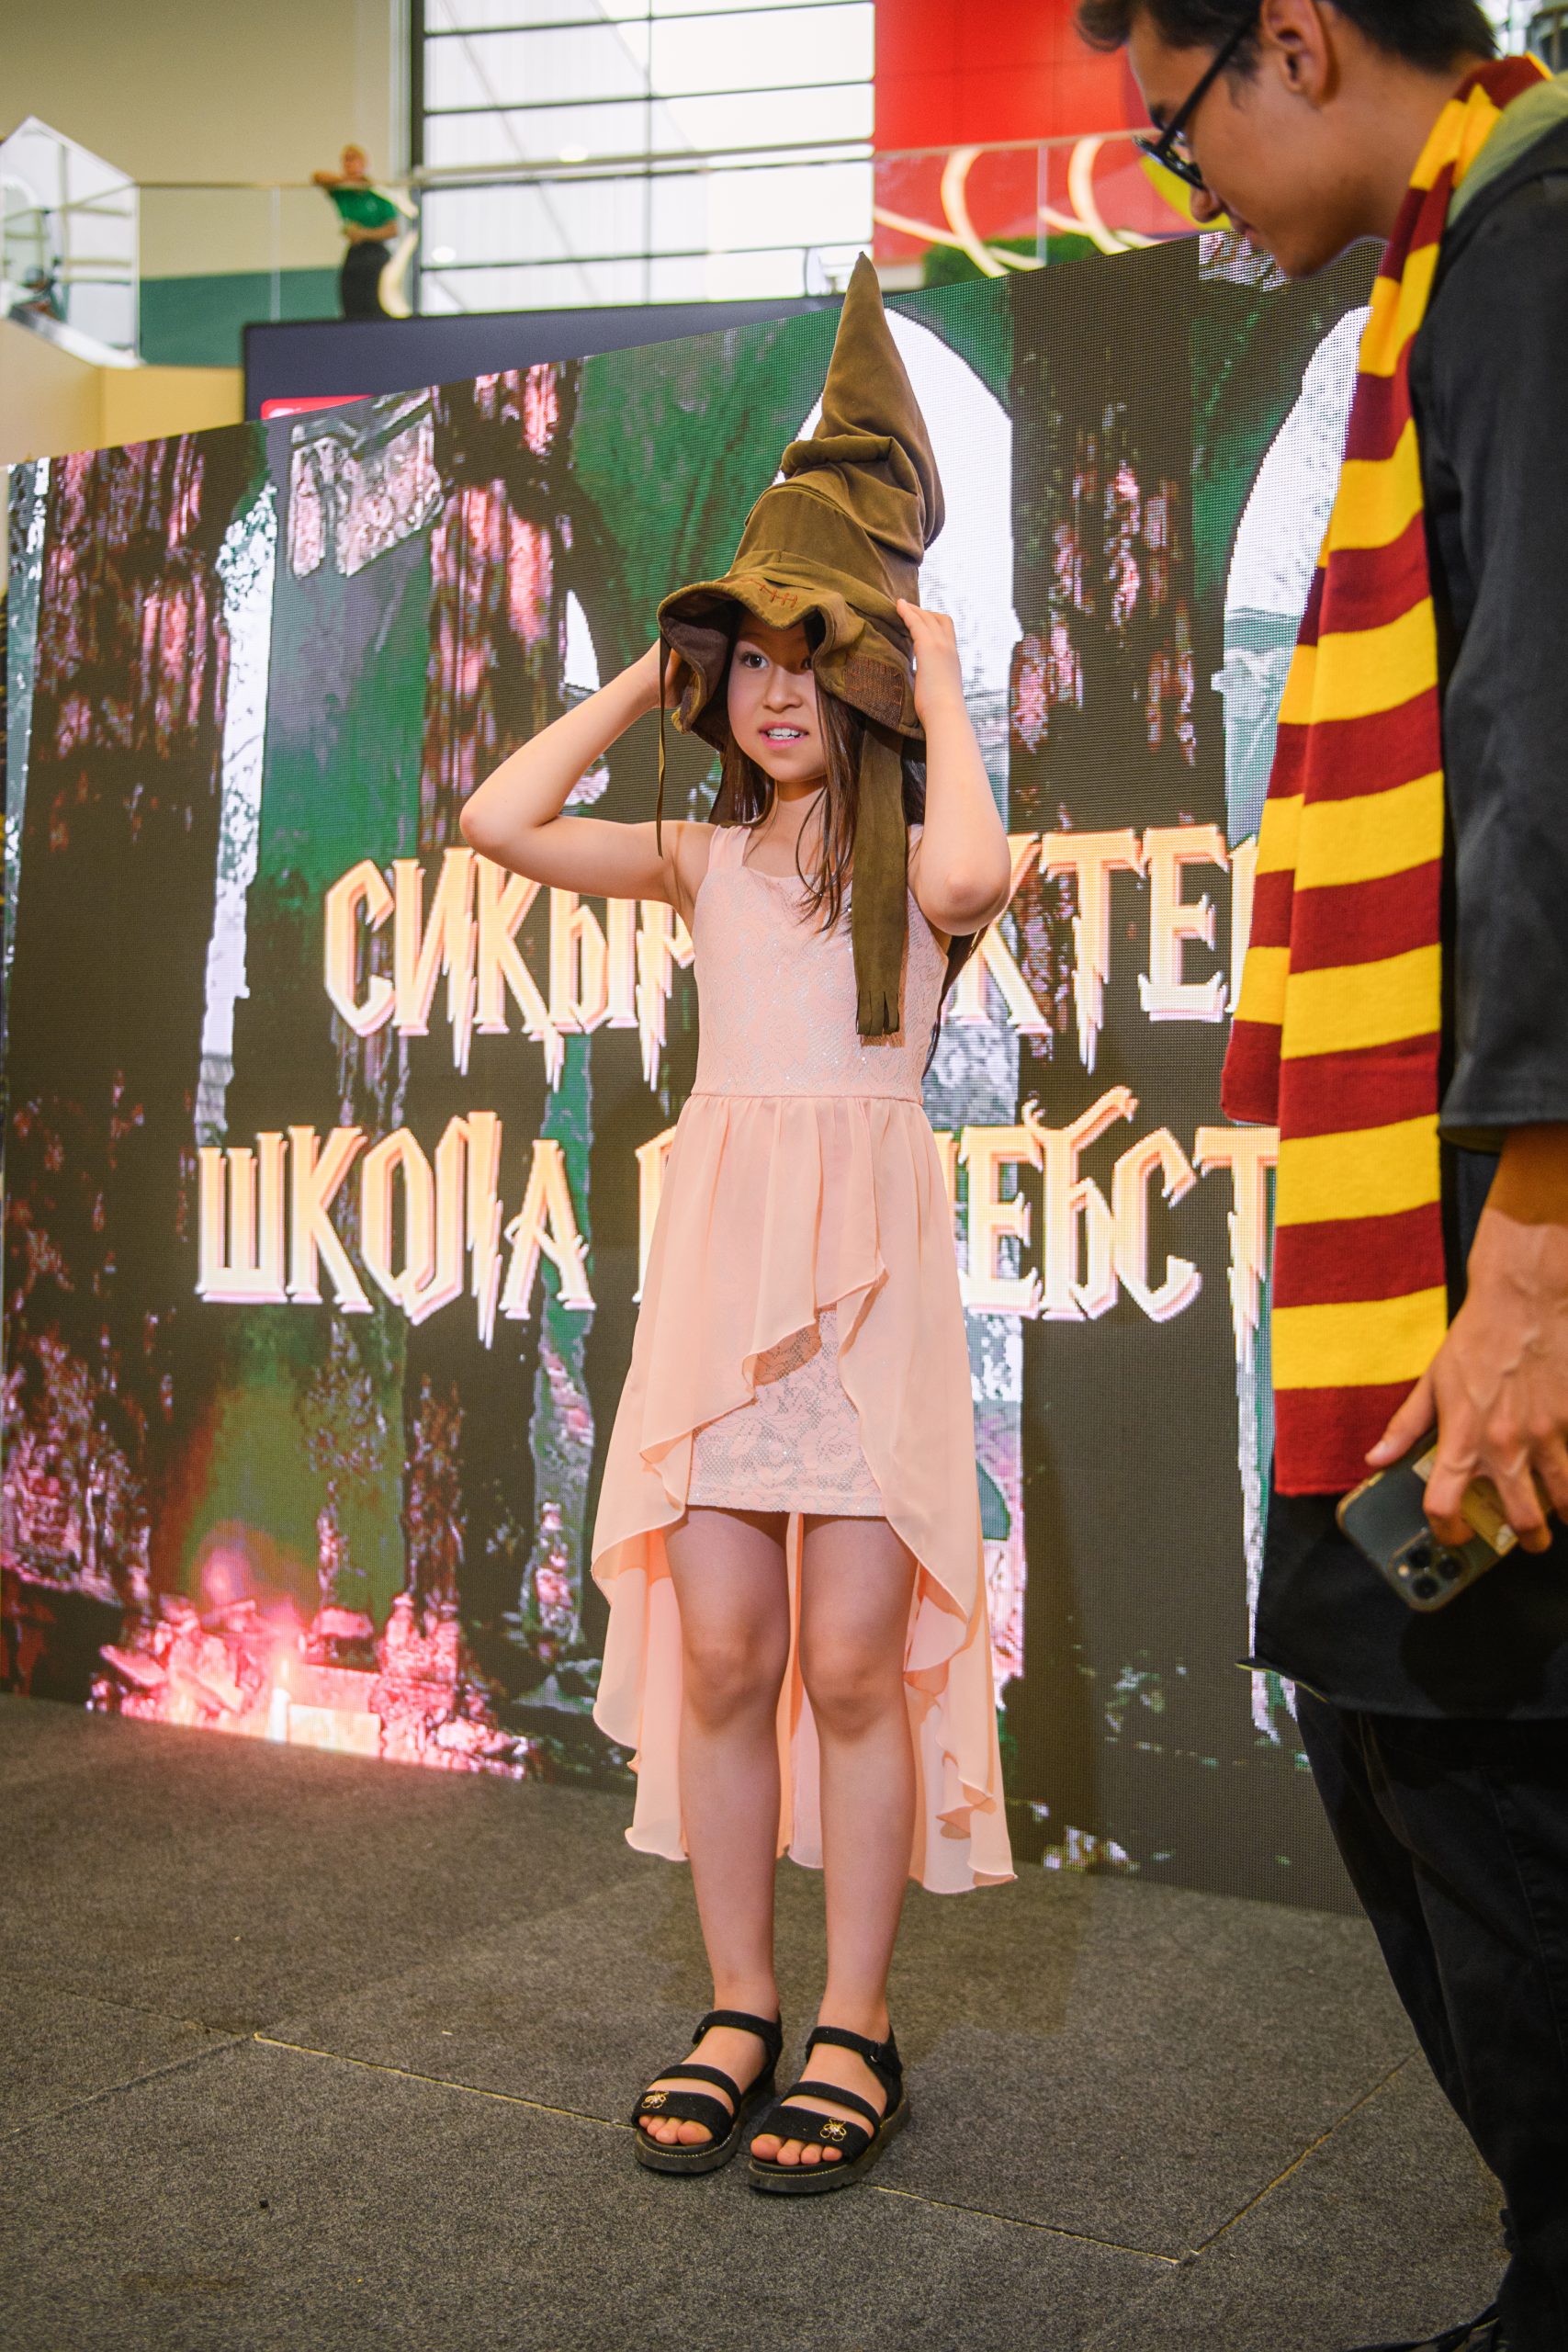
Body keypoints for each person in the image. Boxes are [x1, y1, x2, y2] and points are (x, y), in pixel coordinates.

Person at [1075, 3, 1568, 2346]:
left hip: (1506, 1205)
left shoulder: (1524, 264)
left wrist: (1527, 1258)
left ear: (1283, 39)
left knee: (1461, 1746)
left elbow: (1545, 753)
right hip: (1458, 1185)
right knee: (1402, 1728)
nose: (1186, 197)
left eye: (1175, 138)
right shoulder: (1446, 274)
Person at [459, 256, 1015, 2193]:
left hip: (859, 1296)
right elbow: (498, 821)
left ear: (862, 673)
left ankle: (856, 2020)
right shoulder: (700, 853)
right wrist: (655, 668)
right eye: (750, 660)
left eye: (806, 655)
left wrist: (934, 679)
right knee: (718, 1655)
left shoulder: (909, 861)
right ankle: (735, 2001)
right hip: (718, 1292)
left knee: (851, 1660)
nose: (777, 690)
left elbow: (975, 870)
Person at [311, 145, 413, 320]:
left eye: (353, 159)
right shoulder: (343, 192)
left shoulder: (378, 192)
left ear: (364, 163)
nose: (349, 164)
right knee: (352, 306)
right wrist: (349, 180)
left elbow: (393, 229)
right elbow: (318, 177)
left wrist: (363, 233)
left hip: (377, 254)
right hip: (355, 254)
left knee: (377, 306)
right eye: (346, 160)